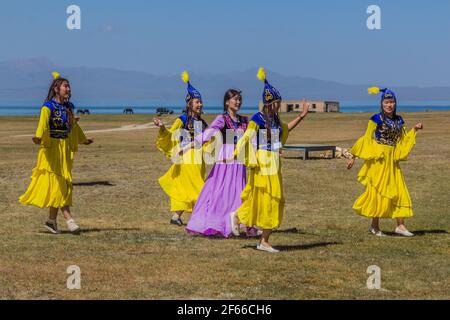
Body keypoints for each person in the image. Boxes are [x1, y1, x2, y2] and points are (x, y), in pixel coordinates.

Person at [232, 68, 309, 252]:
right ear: (270, 103)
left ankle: (246, 224)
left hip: (274, 164)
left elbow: (285, 129)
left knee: (273, 199)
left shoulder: (275, 120)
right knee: (265, 199)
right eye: (277, 102)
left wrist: (301, 116)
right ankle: (262, 239)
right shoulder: (257, 118)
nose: (279, 105)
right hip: (262, 163)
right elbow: (247, 136)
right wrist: (238, 152)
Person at [19, 72, 94, 234]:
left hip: (64, 150)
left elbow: (73, 126)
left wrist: (84, 140)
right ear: (56, 88)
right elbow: (42, 124)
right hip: (51, 151)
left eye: (69, 86)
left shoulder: (68, 107)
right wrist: (39, 137)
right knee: (59, 185)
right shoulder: (48, 107)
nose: (68, 89)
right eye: (65, 86)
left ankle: (51, 222)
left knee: (61, 184)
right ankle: (70, 219)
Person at [347, 87, 423, 237]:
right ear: (382, 104)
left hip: (392, 161)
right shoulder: (376, 119)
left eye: (392, 102)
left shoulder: (399, 120)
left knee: (399, 190)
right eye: (387, 102)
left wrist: (414, 130)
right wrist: (353, 156)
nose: (390, 105)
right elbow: (366, 138)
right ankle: (374, 226)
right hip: (379, 161)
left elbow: (402, 140)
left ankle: (400, 226)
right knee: (378, 192)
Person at [153, 71, 208, 226]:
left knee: (185, 188)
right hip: (186, 160)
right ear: (189, 103)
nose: (200, 104)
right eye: (197, 102)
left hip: (199, 161)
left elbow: (209, 139)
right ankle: (201, 218)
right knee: (199, 188)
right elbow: (171, 134)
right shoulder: (182, 120)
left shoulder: (203, 123)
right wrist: (162, 127)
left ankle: (176, 217)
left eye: (201, 102)